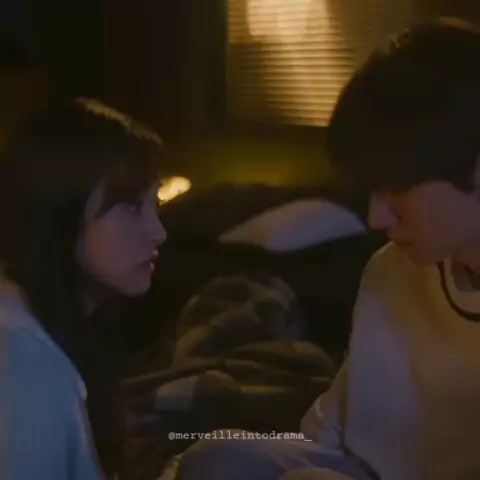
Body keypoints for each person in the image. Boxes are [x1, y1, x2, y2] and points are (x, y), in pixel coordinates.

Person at [167, 17, 480, 480]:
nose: (376, 218)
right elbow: (330, 431)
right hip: (360, 468)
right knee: (214, 457)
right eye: (371, 190)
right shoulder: (392, 270)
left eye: (397, 187)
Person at [0, 98, 167, 479]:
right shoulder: (31, 374)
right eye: (131, 207)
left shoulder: (37, 314)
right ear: (60, 213)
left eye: (155, 202)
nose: (159, 231)